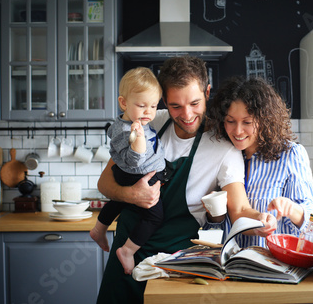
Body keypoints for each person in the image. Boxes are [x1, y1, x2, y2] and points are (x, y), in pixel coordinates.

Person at [96, 56, 276, 304]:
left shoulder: (224, 147)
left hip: (178, 265)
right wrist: (132, 195)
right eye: (175, 106)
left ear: (207, 92)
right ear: (164, 102)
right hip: (126, 253)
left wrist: (261, 219)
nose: (187, 114)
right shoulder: (150, 122)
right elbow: (104, 183)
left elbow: (240, 209)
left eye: (194, 103)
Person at [207, 75, 313, 248]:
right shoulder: (222, 154)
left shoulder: (290, 155)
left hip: (274, 267)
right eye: (230, 121)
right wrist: (214, 217)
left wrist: (292, 210)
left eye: (247, 122)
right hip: (230, 268)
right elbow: (217, 233)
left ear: (264, 120)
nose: (238, 131)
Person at [90, 67, 166, 275]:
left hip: (129, 175)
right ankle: (127, 250)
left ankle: (99, 229)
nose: (149, 112)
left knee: (119, 202)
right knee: (154, 216)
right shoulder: (130, 130)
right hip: (138, 175)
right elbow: (134, 161)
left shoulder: (126, 121)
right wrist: (139, 140)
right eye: (142, 106)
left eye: (153, 105)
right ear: (123, 103)